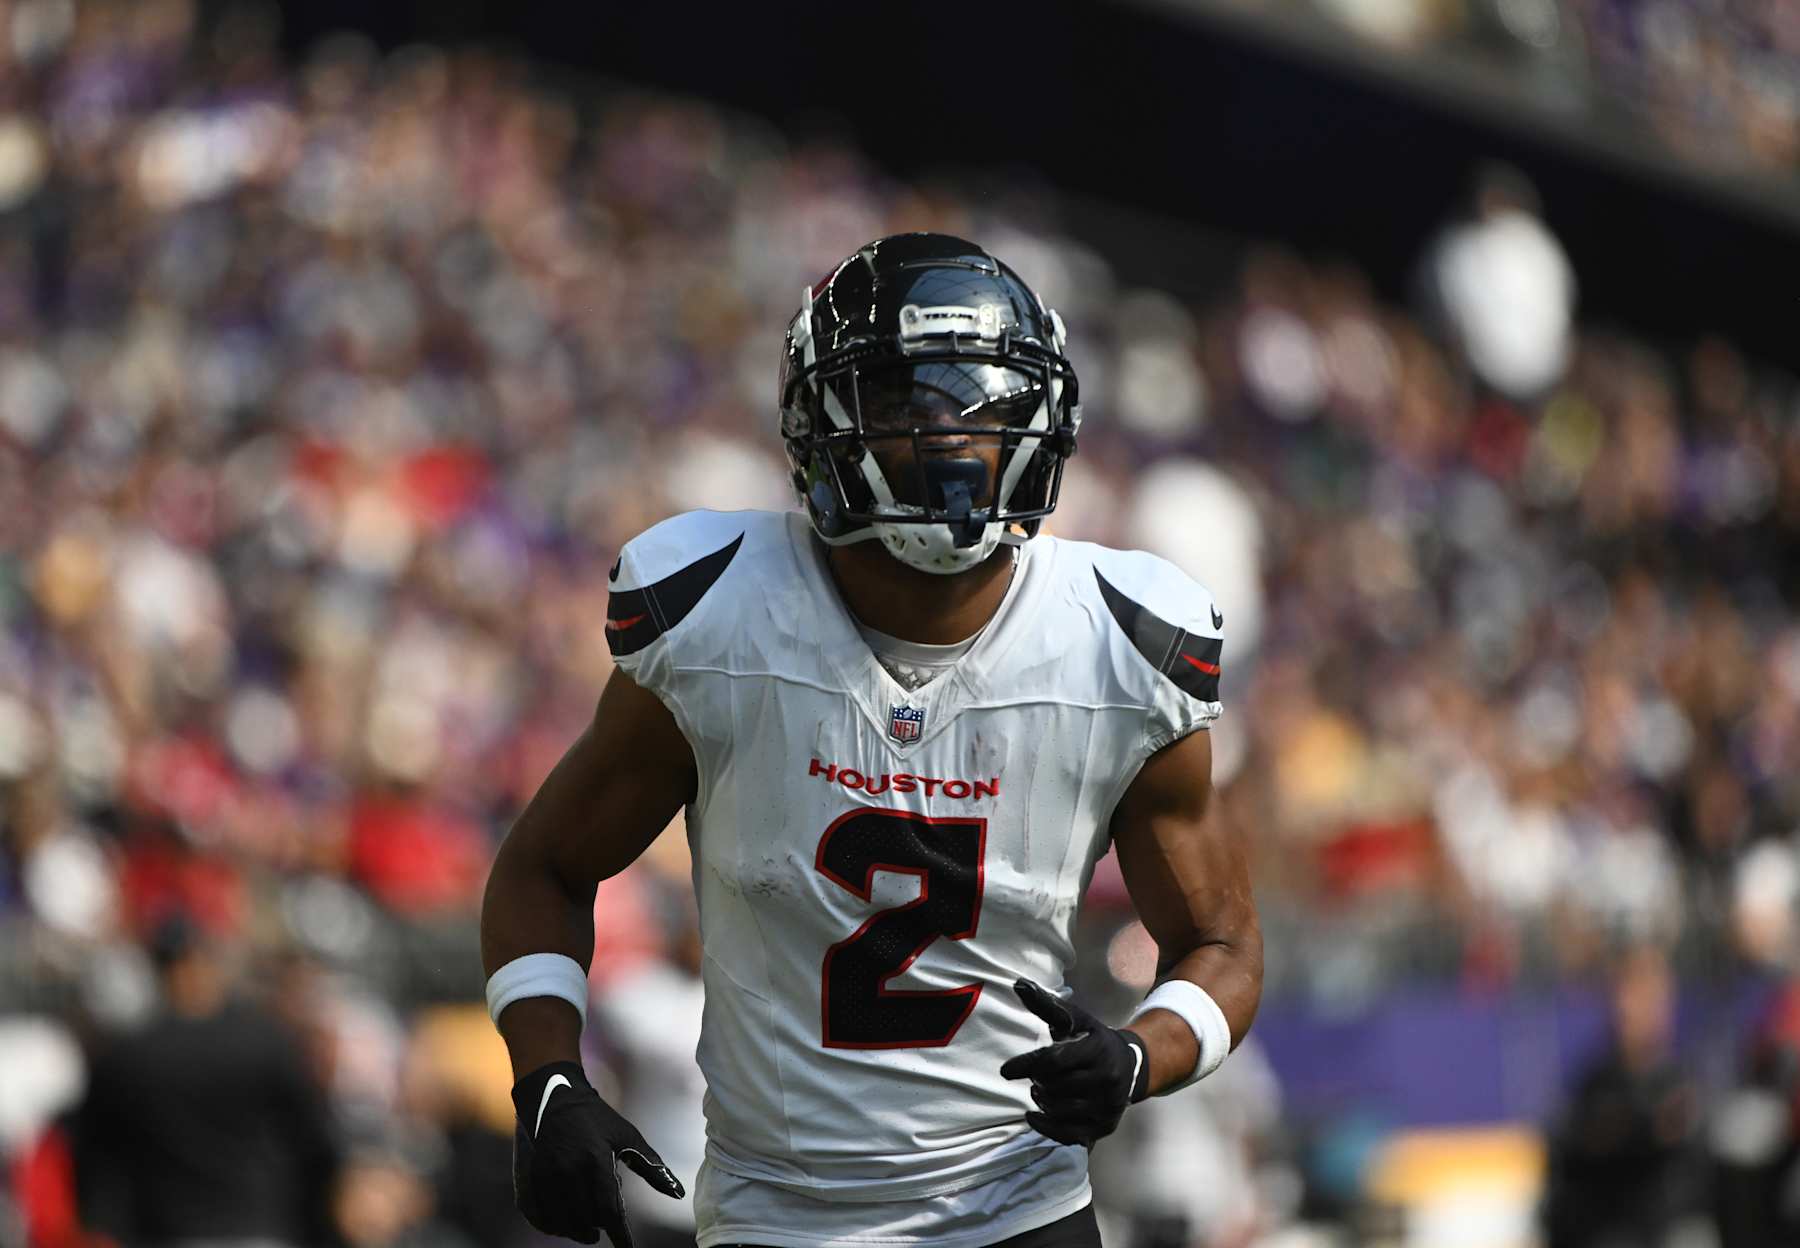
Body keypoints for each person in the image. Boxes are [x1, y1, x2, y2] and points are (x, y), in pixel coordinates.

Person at [479, 233, 1263, 1248]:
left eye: (981, 401)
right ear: (824, 417)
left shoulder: (1118, 643)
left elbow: (1222, 943)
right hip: (777, 1220)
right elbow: (544, 865)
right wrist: (544, 1076)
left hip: (1018, 1212)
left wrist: (1141, 1055)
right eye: (910, 401)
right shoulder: (721, 616)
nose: (952, 436)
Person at [71, 915, 340, 1247]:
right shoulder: (264, 1042)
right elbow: (315, 1141)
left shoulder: (127, 1053)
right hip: (256, 1230)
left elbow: (91, 1155)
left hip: (161, 1232)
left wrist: (100, 1222)